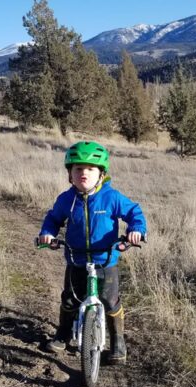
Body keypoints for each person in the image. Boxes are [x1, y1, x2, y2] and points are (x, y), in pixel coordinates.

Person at [37, 141, 147, 364]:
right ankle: (63, 335)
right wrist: (47, 234)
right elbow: (53, 219)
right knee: (69, 300)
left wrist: (136, 230)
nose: (84, 173)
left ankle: (118, 343)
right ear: (70, 173)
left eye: (90, 169)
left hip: (105, 260)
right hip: (76, 260)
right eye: (78, 169)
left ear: (101, 173)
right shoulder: (67, 199)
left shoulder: (111, 197)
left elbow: (134, 212)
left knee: (110, 300)